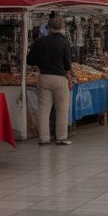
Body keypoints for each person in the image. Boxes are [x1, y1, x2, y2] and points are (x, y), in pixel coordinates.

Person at [27, 14, 74, 144]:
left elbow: (29, 60)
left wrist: (42, 62)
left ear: (49, 28)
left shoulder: (40, 41)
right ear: (62, 27)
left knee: (43, 109)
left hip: (44, 77)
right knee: (62, 109)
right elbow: (67, 65)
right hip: (60, 79)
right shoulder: (64, 43)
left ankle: (44, 138)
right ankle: (61, 137)